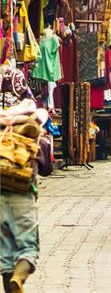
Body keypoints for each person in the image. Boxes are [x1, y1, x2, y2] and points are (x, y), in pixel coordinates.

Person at [1, 102, 53, 293]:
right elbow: (47, 169)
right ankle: (19, 278)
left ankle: (11, 284)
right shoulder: (35, 140)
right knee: (28, 248)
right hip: (23, 196)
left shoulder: (2, 137)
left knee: (5, 255)